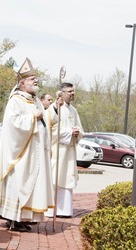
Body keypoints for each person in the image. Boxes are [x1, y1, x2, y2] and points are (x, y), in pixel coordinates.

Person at [0, 57, 54, 232]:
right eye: (32, 79)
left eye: (36, 79)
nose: (36, 81)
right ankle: (13, 219)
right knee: (18, 184)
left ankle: (25, 217)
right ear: (22, 83)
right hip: (21, 154)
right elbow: (13, 124)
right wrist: (33, 117)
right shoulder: (16, 100)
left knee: (32, 184)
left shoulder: (34, 100)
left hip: (35, 152)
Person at [45, 83, 84, 218]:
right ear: (61, 93)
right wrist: (68, 132)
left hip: (69, 151)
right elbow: (49, 128)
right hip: (58, 150)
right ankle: (51, 209)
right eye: (69, 91)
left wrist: (77, 132)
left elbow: (80, 129)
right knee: (56, 177)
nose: (72, 93)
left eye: (73, 91)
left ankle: (65, 210)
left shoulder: (73, 110)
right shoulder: (54, 109)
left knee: (67, 178)